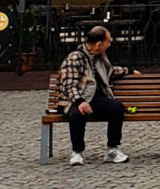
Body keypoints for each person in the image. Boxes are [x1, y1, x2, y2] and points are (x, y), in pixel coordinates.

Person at [55, 26, 130, 166]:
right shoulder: (74, 58)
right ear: (98, 44)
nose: (110, 44)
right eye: (108, 41)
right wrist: (80, 101)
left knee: (116, 108)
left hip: (95, 99)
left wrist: (128, 71)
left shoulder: (99, 58)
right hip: (74, 100)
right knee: (77, 114)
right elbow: (69, 85)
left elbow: (110, 71)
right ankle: (77, 151)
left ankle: (112, 149)